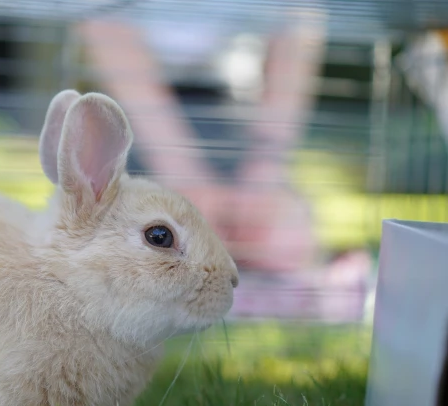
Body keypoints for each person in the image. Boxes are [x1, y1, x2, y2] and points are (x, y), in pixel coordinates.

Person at [76, 10, 372, 321]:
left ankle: (285, 283)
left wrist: (264, 170)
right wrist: (182, 174)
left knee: (279, 236)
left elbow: (299, 17)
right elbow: (103, 21)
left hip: (230, 104)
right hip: (128, 105)